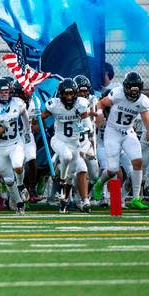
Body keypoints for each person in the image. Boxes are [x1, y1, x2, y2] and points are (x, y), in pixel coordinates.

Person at [92, 72, 149, 210]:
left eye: (136, 90)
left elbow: (148, 124)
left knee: (135, 165)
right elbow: (101, 104)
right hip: (109, 138)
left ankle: (130, 199)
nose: (133, 94)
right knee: (112, 170)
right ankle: (104, 192)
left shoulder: (142, 101)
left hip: (128, 133)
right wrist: (98, 114)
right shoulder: (115, 96)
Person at [42, 78, 92, 213]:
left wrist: (86, 129)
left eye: (71, 94)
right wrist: (37, 116)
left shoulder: (81, 104)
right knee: (66, 156)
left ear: (76, 94)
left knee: (71, 176)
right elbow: (42, 116)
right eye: (66, 94)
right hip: (58, 140)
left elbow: (88, 125)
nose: (69, 97)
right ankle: (62, 180)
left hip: (74, 143)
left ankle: (64, 200)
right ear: (60, 94)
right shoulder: (55, 104)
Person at [0, 77, 30, 214]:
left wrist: (27, 131)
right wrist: (2, 129)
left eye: (7, 91)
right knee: (9, 180)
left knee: (17, 165)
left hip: (15, 142)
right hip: (0, 146)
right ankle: (19, 204)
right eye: (1, 92)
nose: (5, 94)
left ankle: (21, 185)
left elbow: (24, 115)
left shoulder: (18, 103)